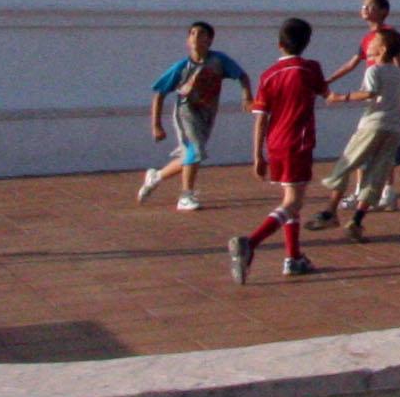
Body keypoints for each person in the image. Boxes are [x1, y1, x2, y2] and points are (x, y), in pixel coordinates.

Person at [229, 18, 328, 283]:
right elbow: (326, 91)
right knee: (293, 201)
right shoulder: (310, 69)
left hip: (275, 143)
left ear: (279, 44)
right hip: (299, 142)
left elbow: (260, 117)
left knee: (291, 197)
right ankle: (250, 242)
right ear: (307, 43)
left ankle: (293, 257)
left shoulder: (269, 75)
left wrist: (256, 155)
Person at [138, 22, 249, 210]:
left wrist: (247, 94)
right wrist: (156, 125)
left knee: (190, 155)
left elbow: (241, 76)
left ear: (210, 40)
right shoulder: (182, 67)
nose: (196, 37)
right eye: (192, 33)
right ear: (188, 40)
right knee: (195, 150)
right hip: (185, 112)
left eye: (201, 34)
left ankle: (156, 176)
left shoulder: (219, 61)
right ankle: (185, 196)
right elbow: (160, 93)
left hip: (206, 113)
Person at [316, 28, 400, 238]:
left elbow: (369, 93)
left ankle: (330, 210)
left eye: (374, 40)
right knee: (377, 173)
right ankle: (357, 220)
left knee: (347, 163)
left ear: (382, 49)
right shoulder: (398, 72)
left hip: (372, 125)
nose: (369, 43)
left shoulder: (374, 71)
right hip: (393, 127)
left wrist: (340, 97)